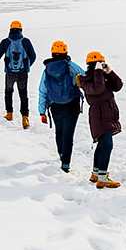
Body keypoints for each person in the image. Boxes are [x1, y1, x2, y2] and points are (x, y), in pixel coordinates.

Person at [77, 51, 123, 189]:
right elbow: (98, 90)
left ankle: (96, 174)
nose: (102, 65)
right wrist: (98, 72)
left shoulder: (102, 77)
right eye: (99, 63)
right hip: (99, 116)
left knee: (103, 144)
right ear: (93, 65)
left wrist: (110, 72)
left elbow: (118, 86)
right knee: (107, 144)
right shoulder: (86, 80)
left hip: (107, 115)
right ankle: (103, 177)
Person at [37, 40, 84, 172]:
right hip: (72, 104)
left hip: (55, 106)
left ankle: (61, 154)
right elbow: (85, 76)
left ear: (52, 53)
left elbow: (42, 90)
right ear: (65, 52)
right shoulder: (70, 66)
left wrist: (42, 111)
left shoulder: (47, 70)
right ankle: (65, 163)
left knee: (59, 131)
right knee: (68, 134)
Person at [0, 19, 37, 127]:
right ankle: (25, 117)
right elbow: (33, 56)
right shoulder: (26, 41)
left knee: (8, 92)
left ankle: (9, 114)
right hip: (23, 74)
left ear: (10, 29)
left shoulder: (5, 42)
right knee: (23, 94)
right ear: (21, 29)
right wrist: (26, 67)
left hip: (10, 73)